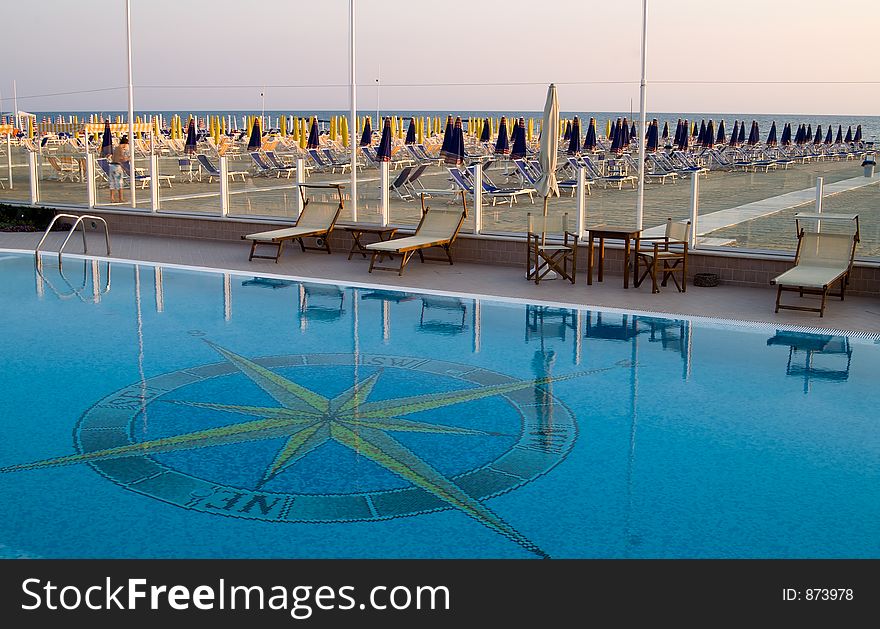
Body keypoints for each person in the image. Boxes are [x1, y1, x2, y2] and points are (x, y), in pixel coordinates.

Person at [108, 136, 130, 203]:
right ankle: (121, 199)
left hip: (111, 166)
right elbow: (122, 159)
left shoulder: (116, 148)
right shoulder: (120, 149)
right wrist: (129, 158)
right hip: (117, 167)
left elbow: (114, 158)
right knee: (119, 183)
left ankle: (112, 199)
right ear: (125, 144)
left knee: (112, 183)